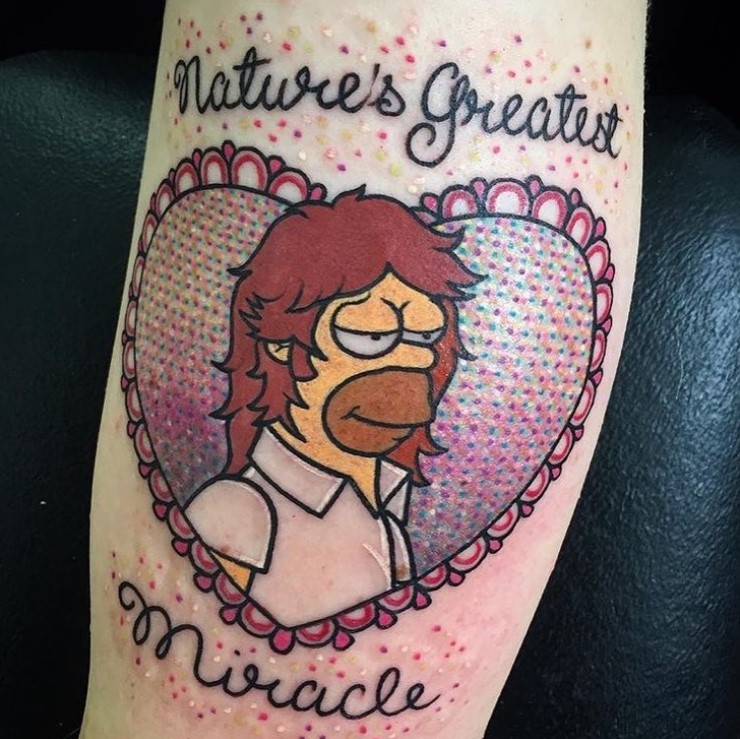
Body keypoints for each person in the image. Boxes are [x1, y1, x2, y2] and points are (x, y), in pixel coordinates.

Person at [82, 1, 647, 736]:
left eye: (423, 336)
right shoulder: (237, 515)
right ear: (279, 344)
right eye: (371, 334)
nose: (407, 362)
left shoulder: (386, 518)